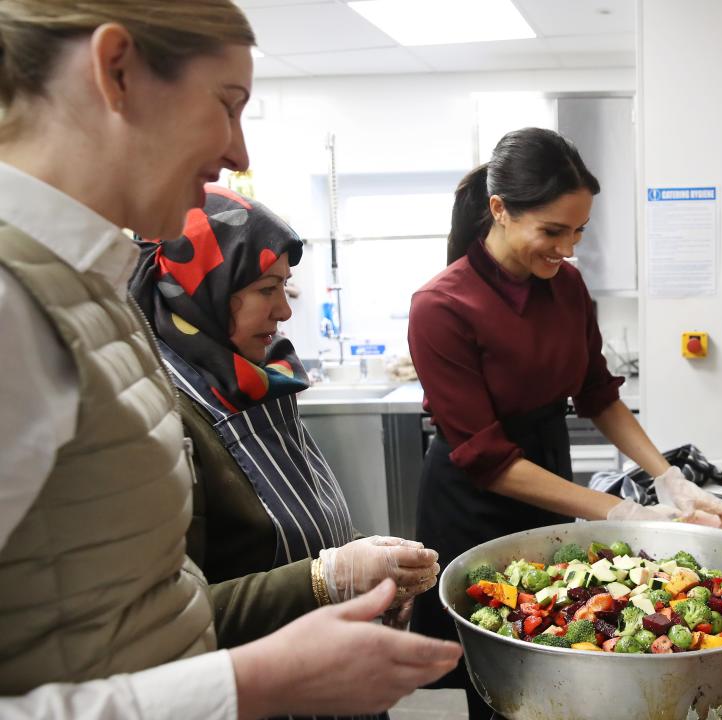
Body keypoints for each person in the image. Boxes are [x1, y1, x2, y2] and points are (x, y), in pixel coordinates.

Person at [0, 2, 460, 718]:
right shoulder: (12, 301)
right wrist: (260, 680)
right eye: (228, 105)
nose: (239, 154)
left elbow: (135, 604)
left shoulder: (92, 293)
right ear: (115, 70)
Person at [406, 127, 722, 718]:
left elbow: (597, 393)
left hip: (548, 478)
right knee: (503, 675)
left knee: (570, 643)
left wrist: (666, 477)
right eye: (554, 231)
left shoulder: (568, 286)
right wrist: (619, 511)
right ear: (500, 210)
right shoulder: (442, 306)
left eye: (579, 231)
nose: (568, 248)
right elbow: (487, 458)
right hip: (475, 501)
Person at [128, 187, 439, 654]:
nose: (285, 310)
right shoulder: (163, 414)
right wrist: (325, 578)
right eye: (266, 290)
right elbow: (167, 618)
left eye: (284, 287)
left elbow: (294, 514)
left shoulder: (257, 377)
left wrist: (363, 559)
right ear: (201, 292)